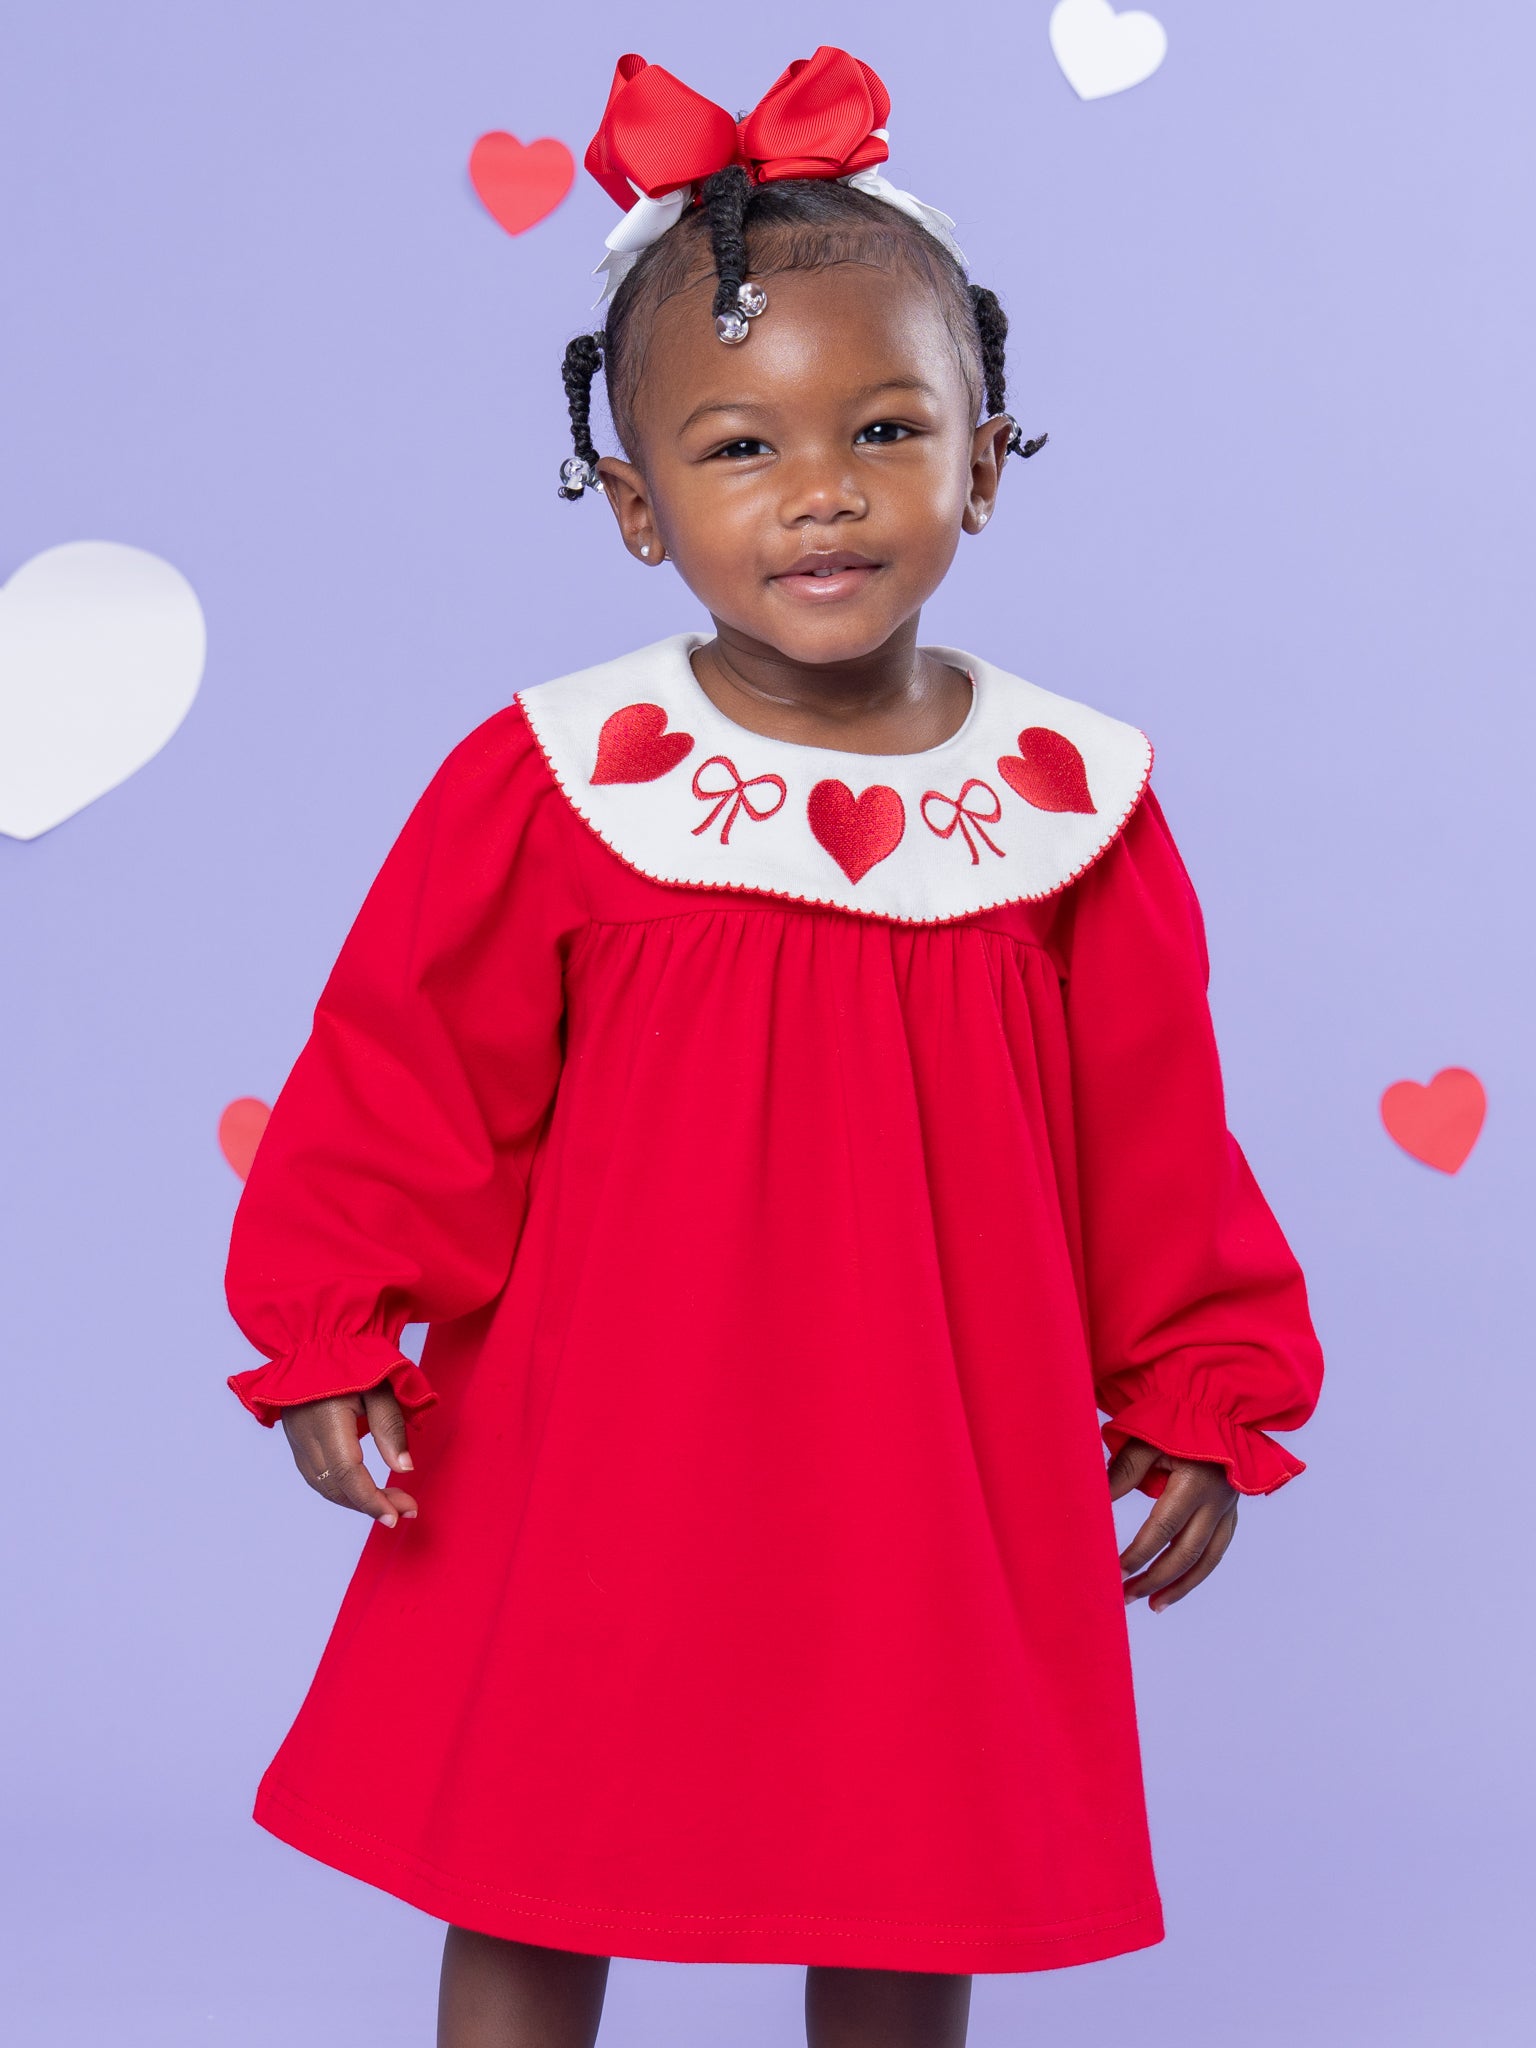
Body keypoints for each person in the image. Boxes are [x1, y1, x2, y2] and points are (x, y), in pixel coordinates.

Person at [224, 46, 1325, 2048]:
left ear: (987, 461)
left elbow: (1156, 1136)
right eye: (740, 447)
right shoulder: (564, 778)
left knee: (912, 1848)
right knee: (537, 1848)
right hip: (599, 1447)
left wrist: (1198, 1382)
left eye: (886, 427)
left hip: (935, 1456)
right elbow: (406, 1076)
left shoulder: (1071, 804)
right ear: (638, 508)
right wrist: (333, 1326)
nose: (821, 488)